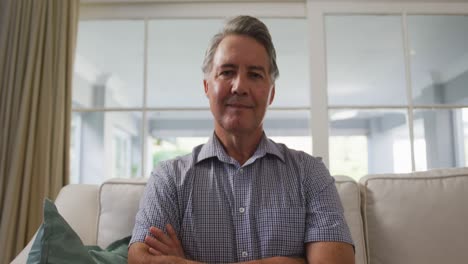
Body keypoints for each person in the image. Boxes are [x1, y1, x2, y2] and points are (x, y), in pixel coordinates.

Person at [128, 15, 355, 264]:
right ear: (207, 87)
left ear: (271, 93)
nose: (239, 86)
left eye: (255, 75)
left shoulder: (310, 174)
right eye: (227, 72)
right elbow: (140, 260)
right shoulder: (169, 178)